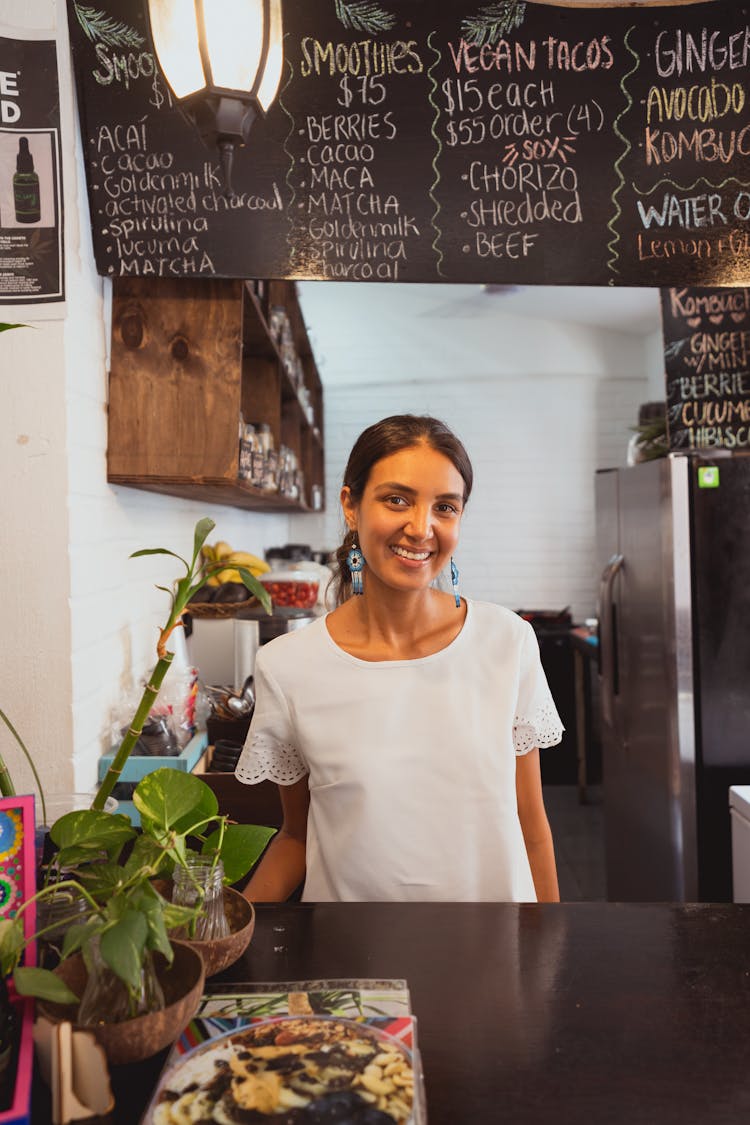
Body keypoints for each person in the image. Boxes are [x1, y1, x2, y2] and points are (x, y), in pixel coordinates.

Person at [236, 414, 563, 903]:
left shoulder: (507, 642)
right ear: (351, 506)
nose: (420, 527)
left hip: (496, 957)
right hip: (353, 966)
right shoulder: (287, 667)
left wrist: (552, 955)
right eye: (397, 499)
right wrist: (226, 937)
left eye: (445, 507)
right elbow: (298, 836)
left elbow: (530, 823)